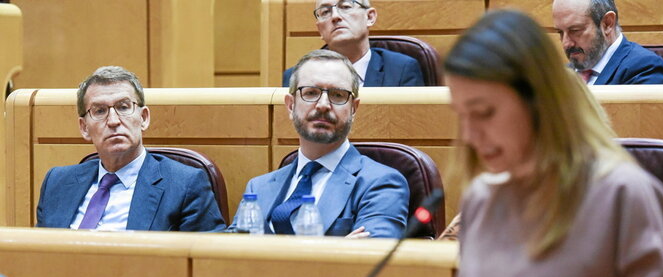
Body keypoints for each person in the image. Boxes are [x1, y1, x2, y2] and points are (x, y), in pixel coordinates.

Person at [381, 9, 663, 277]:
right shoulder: (483, 197)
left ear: (539, 100)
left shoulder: (622, 193)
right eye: (462, 116)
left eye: (486, 112)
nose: (471, 136)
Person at [235, 50, 409, 238]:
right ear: (291, 105)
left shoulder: (381, 183)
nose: (323, 105)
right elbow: (225, 259)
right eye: (311, 93)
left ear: (353, 108)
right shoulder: (258, 188)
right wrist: (338, 247)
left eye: (337, 95)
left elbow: (371, 261)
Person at [36, 66, 226, 232]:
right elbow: (37, 255)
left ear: (143, 118)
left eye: (124, 107)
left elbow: (208, 263)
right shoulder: (57, 183)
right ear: (84, 128)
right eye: (100, 111)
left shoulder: (185, 185)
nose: (113, 121)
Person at [282, 0, 425, 87]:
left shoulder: (402, 70)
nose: (335, 16)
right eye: (325, 12)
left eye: (345, 6)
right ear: (320, 29)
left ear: (370, 17)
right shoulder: (296, 76)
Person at [552, 0, 663, 84]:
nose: (566, 43)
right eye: (560, 33)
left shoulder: (645, 69)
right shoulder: (559, 76)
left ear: (607, 24)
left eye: (575, 30)